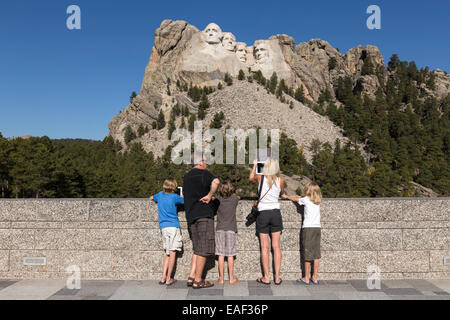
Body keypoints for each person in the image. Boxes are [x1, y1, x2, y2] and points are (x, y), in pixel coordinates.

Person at [183, 152, 220, 289]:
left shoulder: (186, 177)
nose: (206, 163)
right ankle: (198, 280)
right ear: (199, 162)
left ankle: (191, 276)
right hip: (204, 214)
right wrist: (210, 195)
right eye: (205, 160)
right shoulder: (205, 173)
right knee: (204, 248)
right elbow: (216, 182)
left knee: (197, 248)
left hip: (191, 216)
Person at [249, 158, 285, 285]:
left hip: (263, 213)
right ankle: (277, 277)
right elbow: (281, 193)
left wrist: (254, 166)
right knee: (276, 246)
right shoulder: (281, 180)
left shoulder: (260, 178)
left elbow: (250, 178)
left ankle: (266, 277)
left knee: (264, 247)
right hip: (275, 213)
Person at [283, 182, 322, 285]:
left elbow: (296, 198)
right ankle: (315, 277)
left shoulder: (306, 200)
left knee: (307, 254)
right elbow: (300, 197)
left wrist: (287, 196)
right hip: (317, 228)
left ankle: (306, 277)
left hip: (308, 228)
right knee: (316, 254)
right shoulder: (317, 201)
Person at [150, 178, 184, 286]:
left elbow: (151, 198)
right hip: (173, 226)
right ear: (174, 187)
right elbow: (184, 201)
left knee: (167, 253)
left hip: (163, 227)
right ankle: (169, 278)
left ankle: (163, 277)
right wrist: (181, 194)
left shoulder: (160, 195)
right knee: (173, 252)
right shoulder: (174, 197)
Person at [215, 181, 240, 285]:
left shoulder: (218, 200)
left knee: (220, 255)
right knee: (230, 255)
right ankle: (231, 278)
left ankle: (221, 279)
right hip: (231, 229)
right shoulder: (235, 199)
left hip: (220, 228)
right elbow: (238, 196)